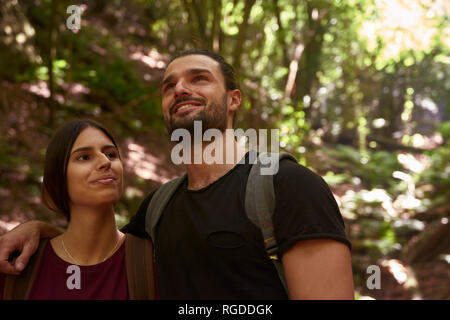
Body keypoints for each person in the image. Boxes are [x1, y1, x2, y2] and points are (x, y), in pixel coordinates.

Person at [0, 49, 354, 299]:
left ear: (234, 100)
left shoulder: (289, 186)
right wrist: (38, 230)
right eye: (169, 86)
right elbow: (96, 245)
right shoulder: (158, 208)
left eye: (199, 79)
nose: (180, 89)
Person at [0, 119, 154, 299]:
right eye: (84, 157)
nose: (105, 162)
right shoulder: (17, 266)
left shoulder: (152, 262)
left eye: (111, 154)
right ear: (59, 179)